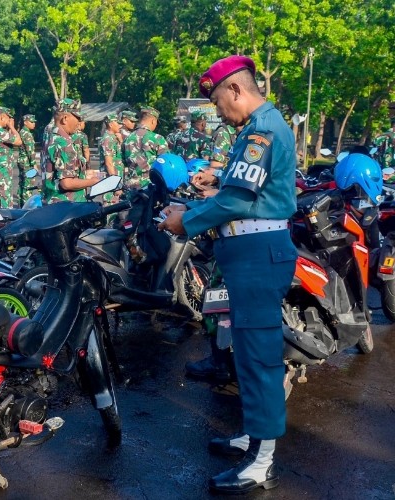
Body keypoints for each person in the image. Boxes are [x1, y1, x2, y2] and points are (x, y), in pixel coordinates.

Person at [158, 55, 297, 494]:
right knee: (244, 354)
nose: (218, 111)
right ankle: (255, 438)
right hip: (248, 252)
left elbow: (238, 200)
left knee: (259, 357)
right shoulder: (256, 127)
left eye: (218, 100)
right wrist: (198, 204)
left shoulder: (262, 130)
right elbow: (241, 193)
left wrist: (187, 219)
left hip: (258, 255)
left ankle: (263, 461)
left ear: (236, 89)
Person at [42, 98, 102, 204]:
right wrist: (94, 181)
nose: (79, 122)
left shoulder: (49, 136)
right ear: (65, 118)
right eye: (77, 118)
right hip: (67, 207)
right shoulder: (64, 143)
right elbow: (67, 183)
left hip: (52, 204)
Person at [122, 106, 168, 189]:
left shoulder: (127, 139)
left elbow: (123, 164)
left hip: (131, 188)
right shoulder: (157, 139)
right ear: (153, 121)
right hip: (150, 189)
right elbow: (166, 164)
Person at [99, 113, 124, 206]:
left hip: (116, 179)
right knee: (110, 209)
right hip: (110, 182)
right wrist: (116, 185)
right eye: (117, 123)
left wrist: (121, 141)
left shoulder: (114, 138)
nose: (120, 126)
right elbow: (109, 163)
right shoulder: (107, 139)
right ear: (110, 124)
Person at [16, 113, 38, 206]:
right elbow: (30, 151)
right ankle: (26, 207)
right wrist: (34, 164)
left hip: (22, 162)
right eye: (31, 122)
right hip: (28, 164)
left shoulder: (21, 132)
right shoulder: (27, 134)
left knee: (22, 184)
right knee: (28, 186)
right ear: (25, 122)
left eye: (34, 122)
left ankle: (21, 204)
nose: (34, 124)